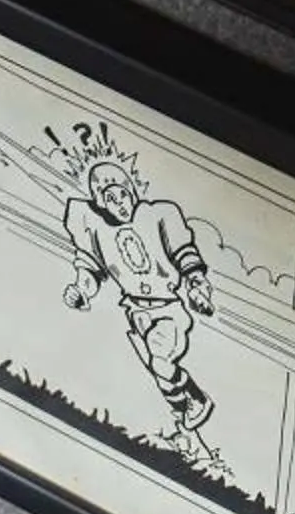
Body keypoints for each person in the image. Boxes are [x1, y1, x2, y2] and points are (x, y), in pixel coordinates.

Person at [61, 153, 216, 440]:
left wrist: (196, 284)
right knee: (158, 372)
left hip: (168, 309)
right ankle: (185, 415)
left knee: (160, 361)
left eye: (122, 194)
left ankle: (198, 401)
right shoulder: (97, 230)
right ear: (100, 203)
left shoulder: (159, 216)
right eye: (110, 199)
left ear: (131, 191)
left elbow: (185, 255)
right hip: (135, 312)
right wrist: (81, 290)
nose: (120, 203)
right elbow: (91, 269)